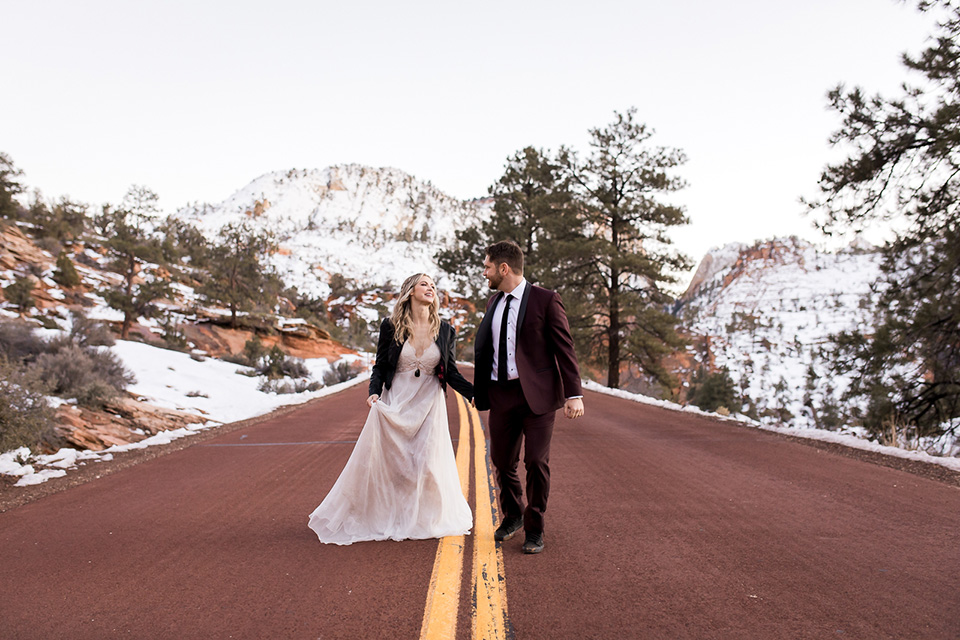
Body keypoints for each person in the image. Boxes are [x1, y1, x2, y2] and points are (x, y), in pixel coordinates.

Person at [308, 273, 474, 544]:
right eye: (425, 284)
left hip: (429, 402)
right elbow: (380, 366)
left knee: (426, 463)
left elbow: (451, 372)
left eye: (433, 286)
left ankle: (423, 519)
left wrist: (473, 395)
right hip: (397, 398)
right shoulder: (391, 326)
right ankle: (392, 516)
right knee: (397, 464)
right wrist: (374, 393)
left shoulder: (445, 330)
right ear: (410, 291)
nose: (431, 289)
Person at [473, 240, 584, 554]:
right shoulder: (492, 303)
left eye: (488, 267)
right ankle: (513, 515)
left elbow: (565, 348)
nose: (485, 273)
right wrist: (481, 391)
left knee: (536, 461)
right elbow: (487, 351)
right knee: (501, 461)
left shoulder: (545, 300)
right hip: (501, 395)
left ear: (504, 268)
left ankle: (535, 527)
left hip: (538, 397)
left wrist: (574, 393)